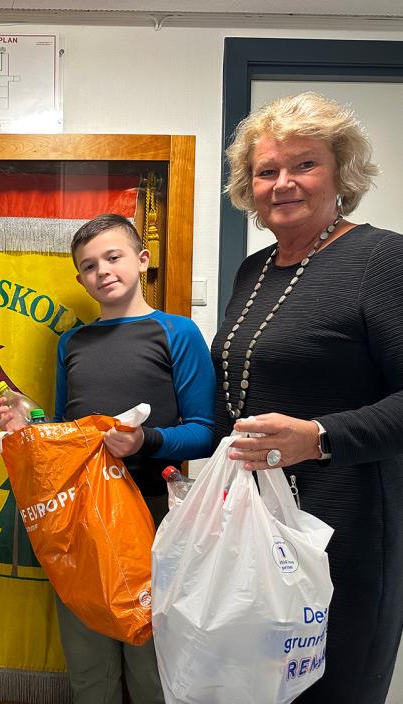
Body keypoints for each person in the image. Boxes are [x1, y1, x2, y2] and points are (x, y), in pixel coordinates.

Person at [216, 92, 403, 703]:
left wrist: (319, 437)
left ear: (341, 173)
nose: (283, 183)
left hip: (344, 534)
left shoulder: (382, 258)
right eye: (266, 170)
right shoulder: (254, 270)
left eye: (305, 164)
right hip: (256, 526)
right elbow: (240, 389)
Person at [0, 213, 215, 704]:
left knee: (151, 665)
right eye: (89, 265)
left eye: (113, 257)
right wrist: (31, 425)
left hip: (154, 516)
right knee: (88, 666)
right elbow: (67, 433)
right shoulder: (72, 343)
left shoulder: (177, 333)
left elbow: (205, 433)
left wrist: (145, 442)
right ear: (80, 279)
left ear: (142, 259)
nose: (103, 271)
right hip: (79, 520)